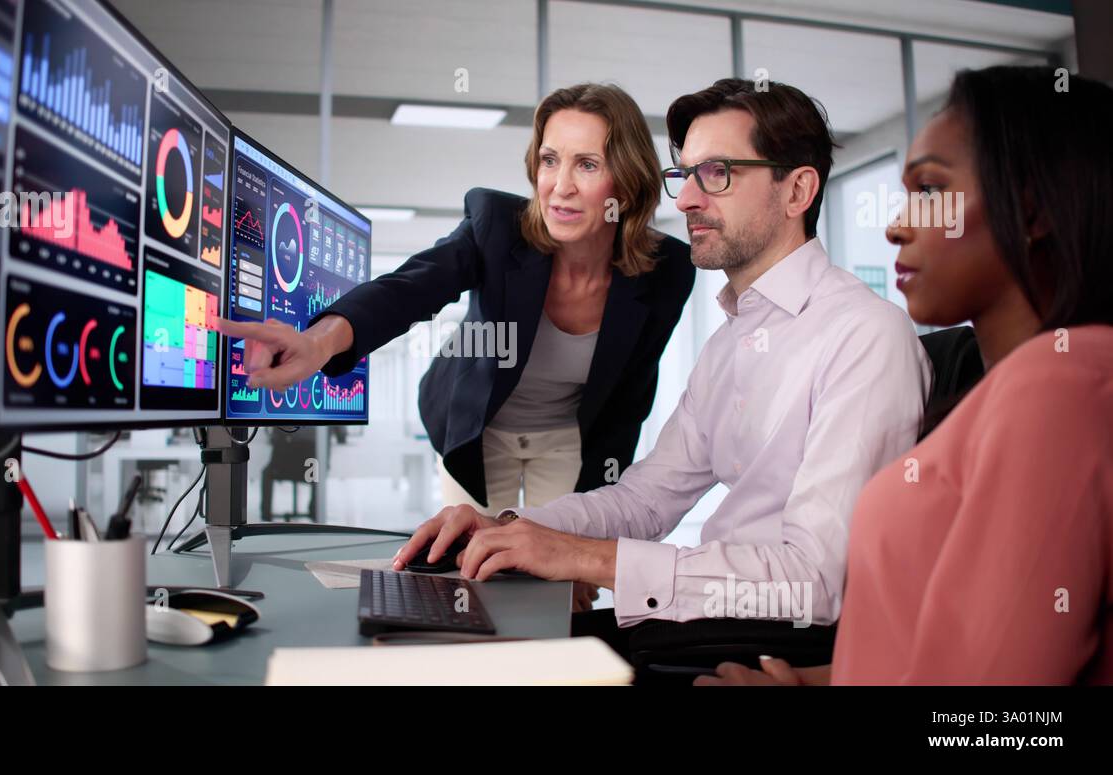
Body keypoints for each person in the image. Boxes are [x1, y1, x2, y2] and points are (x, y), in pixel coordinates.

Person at [393, 77, 930, 654]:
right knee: (460, 640)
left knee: (499, 657)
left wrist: (578, 556)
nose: (686, 200)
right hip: (709, 625)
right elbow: (645, 500)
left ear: (797, 190)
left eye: (717, 173)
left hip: (775, 642)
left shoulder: (864, 334)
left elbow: (814, 584)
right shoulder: (731, 345)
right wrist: (512, 527)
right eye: (685, 175)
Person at [697, 66, 1113, 686]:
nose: (895, 224)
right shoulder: (1010, 394)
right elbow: (935, 654)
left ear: (1031, 209)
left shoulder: (1061, 389)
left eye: (929, 189)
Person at [217, 85, 694, 611]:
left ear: (625, 182)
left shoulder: (665, 271)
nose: (560, 187)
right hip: (477, 428)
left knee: (560, 594)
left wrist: (591, 550)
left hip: (566, 437)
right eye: (550, 160)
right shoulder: (497, 228)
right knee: (472, 578)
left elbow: (629, 399)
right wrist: (318, 341)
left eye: (586, 165)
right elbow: (409, 288)